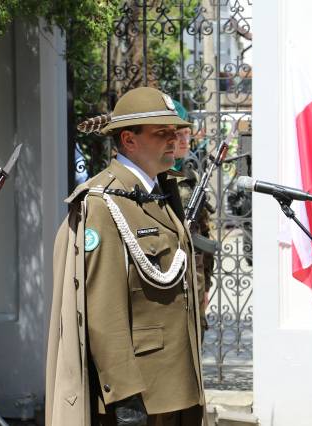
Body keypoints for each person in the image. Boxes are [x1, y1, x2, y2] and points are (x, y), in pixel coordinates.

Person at [46, 87, 206, 426]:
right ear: (129, 140)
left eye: (174, 131)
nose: (172, 139)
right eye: (161, 132)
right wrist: (125, 397)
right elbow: (104, 312)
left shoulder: (158, 193)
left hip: (176, 383)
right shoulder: (104, 203)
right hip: (142, 393)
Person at [170, 100, 215, 341]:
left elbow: (204, 236)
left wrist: (205, 285)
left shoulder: (191, 176)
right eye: (179, 135)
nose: (185, 141)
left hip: (194, 278)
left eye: (188, 134)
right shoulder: (153, 179)